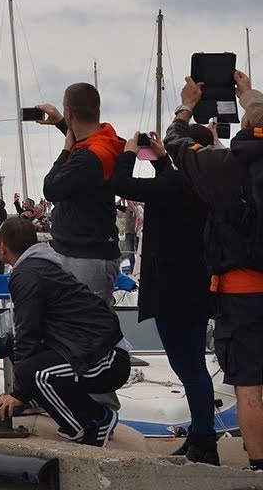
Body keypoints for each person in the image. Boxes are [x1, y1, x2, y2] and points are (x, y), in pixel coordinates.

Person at [165, 70, 263, 471]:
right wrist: (251, 96)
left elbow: (175, 143)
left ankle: (259, 468)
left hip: (241, 293)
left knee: (249, 385)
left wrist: (187, 105)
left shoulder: (221, 166)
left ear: (245, 123)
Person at [112, 126, 218, 464]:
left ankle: (205, 443)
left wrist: (130, 152)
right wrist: (161, 160)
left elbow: (121, 185)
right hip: (196, 287)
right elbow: (171, 187)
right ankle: (201, 434)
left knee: (189, 368)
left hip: (173, 290)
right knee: (194, 366)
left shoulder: (174, 183)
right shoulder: (203, 182)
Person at [0, 218, 131, 447]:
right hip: (98, 353)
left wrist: (19, 393)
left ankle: (96, 421)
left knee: (32, 373)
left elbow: (27, 335)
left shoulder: (27, 274)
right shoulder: (40, 266)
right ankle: (75, 422)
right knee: (29, 367)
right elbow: (27, 327)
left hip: (105, 360)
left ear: (2, 247)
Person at [35, 83, 125, 298]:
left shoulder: (90, 157)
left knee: (87, 317)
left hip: (87, 257)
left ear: (69, 112)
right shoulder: (103, 142)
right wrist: (61, 123)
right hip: (84, 252)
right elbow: (83, 140)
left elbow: (51, 189)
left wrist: (65, 150)